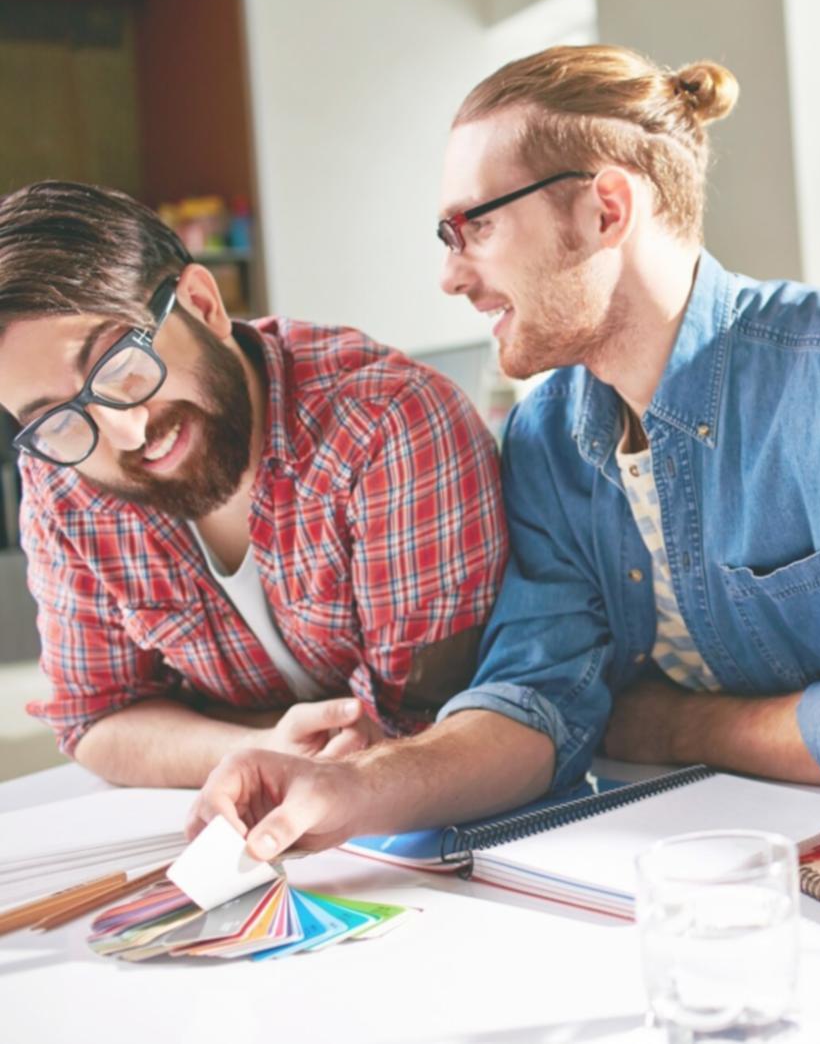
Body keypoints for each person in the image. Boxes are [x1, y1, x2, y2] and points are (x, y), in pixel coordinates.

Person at [189, 46, 820, 852]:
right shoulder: (546, 434)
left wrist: (662, 722)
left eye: (472, 226)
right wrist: (355, 789)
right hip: (681, 853)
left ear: (606, 210)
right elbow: (536, 701)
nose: (451, 276)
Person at [0, 181, 507, 788]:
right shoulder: (62, 477)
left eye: (121, 366)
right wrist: (260, 745)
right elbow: (96, 719)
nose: (126, 432)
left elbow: (419, 724)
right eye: (57, 417)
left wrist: (193, 724)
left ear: (202, 303)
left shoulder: (386, 423)